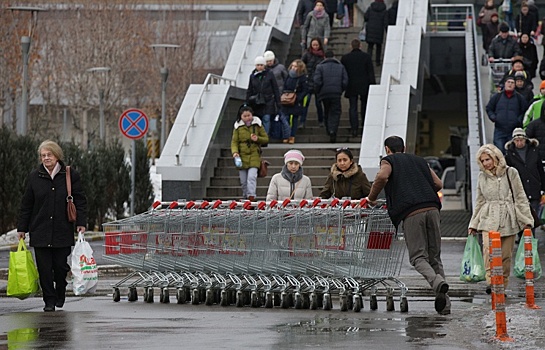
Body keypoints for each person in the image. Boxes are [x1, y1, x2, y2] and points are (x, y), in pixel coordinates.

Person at [365, 136, 448, 315]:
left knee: (418, 257)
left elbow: (382, 176)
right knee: (435, 257)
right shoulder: (420, 161)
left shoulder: (388, 160)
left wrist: (371, 198)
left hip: (412, 212)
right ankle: (445, 304)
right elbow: (438, 184)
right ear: (404, 147)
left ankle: (437, 283)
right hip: (433, 209)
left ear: (387, 149)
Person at [17, 140, 87, 312]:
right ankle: (49, 300)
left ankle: (60, 291)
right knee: (44, 269)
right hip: (40, 230)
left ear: (57, 156)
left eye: (49, 155)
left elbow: (80, 200)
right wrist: (22, 228)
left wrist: (81, 223)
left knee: (60, 266)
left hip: (62, 230)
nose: (46, 158)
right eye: (43, 155)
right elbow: (27, 204)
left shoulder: (70, 174)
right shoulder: (35, 176)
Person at [468, 144, 532, 294]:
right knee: (488, 253)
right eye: (482, 161)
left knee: (505, 256)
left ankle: (501, 286)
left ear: (495, 157)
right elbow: (480, 201)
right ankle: (491, 283)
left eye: (487, 159)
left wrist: (526, 220)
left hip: (507, 218)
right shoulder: (482, 176)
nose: (485, 163)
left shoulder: (511, 173)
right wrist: (473, 223)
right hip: (488, 218)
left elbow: (520, 197)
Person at [504, 128, 545, 243]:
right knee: (520, 215)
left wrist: (543, 189)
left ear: (525, 139)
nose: (519, 142)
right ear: (513, 141)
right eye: (516, 140)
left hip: (534, 188)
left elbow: (540, 170)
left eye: (521, 140)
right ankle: (523, 238)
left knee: (533, 217)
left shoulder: (534, 151)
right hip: (518, 191)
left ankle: (529, 240)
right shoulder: (509, 155)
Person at [231, 106, 269, 201]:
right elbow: (234, 142)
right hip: (242, 156)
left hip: (254, 155)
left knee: (251, 177)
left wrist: (257, 139)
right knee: (243, 181)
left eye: (249, 115)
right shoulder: (238, 127)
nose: (247, 118)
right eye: (245, 116)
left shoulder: (257, 125)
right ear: (241, 116)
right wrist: (235, 152)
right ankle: (245, 196)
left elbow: (266, 139)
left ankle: (251, 196)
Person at [341, 38, 376, 137]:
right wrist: (372, 84)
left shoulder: (345, 58)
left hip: (351, 85)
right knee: (364, 106)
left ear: (351, 46)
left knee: (353, 107)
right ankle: (364, 125)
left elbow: (343, 73)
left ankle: (354, 128)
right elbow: (370, 72)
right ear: (360, 46)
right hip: (364, 84)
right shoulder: (366, 57)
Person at [486, 75, 528, 152]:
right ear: (505, 83)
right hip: (499, 129)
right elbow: (489, 108)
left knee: (512, 152)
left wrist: (518, 120)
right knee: (499, 151)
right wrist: (494, 117)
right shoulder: (497, 97)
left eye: (512, 83)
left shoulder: (519, 98)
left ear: (514, 85)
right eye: (508, 82)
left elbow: (524, 111)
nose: (510, 84)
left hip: (513, 130)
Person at [313, 50, 348, 143]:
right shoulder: (340, 67)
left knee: (327, 111)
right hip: (336, 93)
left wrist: (318, 91)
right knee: (335, 112)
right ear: (334, 56)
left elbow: (317, 81)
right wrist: (340, 90)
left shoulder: (320, 67)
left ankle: (328, 129)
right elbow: (345, 81)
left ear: (324, 57)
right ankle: (333, 130)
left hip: (324, 93)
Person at [246, 56, 281, 135]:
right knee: (258, 119)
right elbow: (250, 89)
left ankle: (265, 136)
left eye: (261, 65)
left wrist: (278, 101)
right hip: (257, 101)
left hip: (268, 100)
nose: (260, 67)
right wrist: (247, 101)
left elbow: (275, 88)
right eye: (258, 65)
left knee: (266, 118)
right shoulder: (253, 76)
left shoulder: (270, 74)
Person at [280, 59, 308, 144]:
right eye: (293, 66)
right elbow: (284, 86)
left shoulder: (302, 77)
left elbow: (305, 89)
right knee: (286, 118)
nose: (293, 68)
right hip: (287, 98)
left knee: (295, 119)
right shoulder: (288, 75)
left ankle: (292, 136)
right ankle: (286, 135)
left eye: (295, 66)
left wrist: (298, 98)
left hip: (296, 100)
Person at [301, 37, 326, 128]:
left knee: (318, 104)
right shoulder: (307, 54)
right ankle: (302, 121)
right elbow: (301, 64)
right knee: (305, 103)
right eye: (313, 45)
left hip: (318, 83)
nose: (315, 47)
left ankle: (321, 120)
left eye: (316, 45)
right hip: (308, 82)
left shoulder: (322, 56)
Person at [364, 0, 389, 66]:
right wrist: (387, 31)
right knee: (379, 46)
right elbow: (385, 22)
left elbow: (366, 17)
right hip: (379, 30)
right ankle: (377, 61)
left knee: (370, 46)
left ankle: (368, 61)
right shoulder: (384, 11)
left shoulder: (370, 8)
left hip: (370, 29)